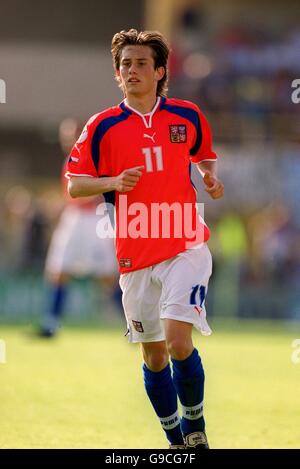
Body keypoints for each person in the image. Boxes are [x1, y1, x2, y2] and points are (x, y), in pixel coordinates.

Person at [66, 29, 224, 448]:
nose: (131, 70)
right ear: (117, 75)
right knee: (153, 356)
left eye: (139, 64)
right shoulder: (101, 126)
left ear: (159, 71)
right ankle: (175, 442)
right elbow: (75, 186)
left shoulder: (187, 116)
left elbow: (201, 153)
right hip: (134, 252)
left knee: (177, 342)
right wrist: (114, 181)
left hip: (184, 244)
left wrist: (208, 175)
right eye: (124, 65)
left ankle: (196, 429)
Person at [39, 118, 119, 337]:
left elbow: (104, 188)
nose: (70, 139)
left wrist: (85, 196)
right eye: (66, 135)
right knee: (58, 270)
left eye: (73, 134)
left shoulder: (95, 157)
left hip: (94, 218)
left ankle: (133, 323)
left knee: (108, 276)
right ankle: (50, 323)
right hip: (75, 216)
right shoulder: (70, 159)